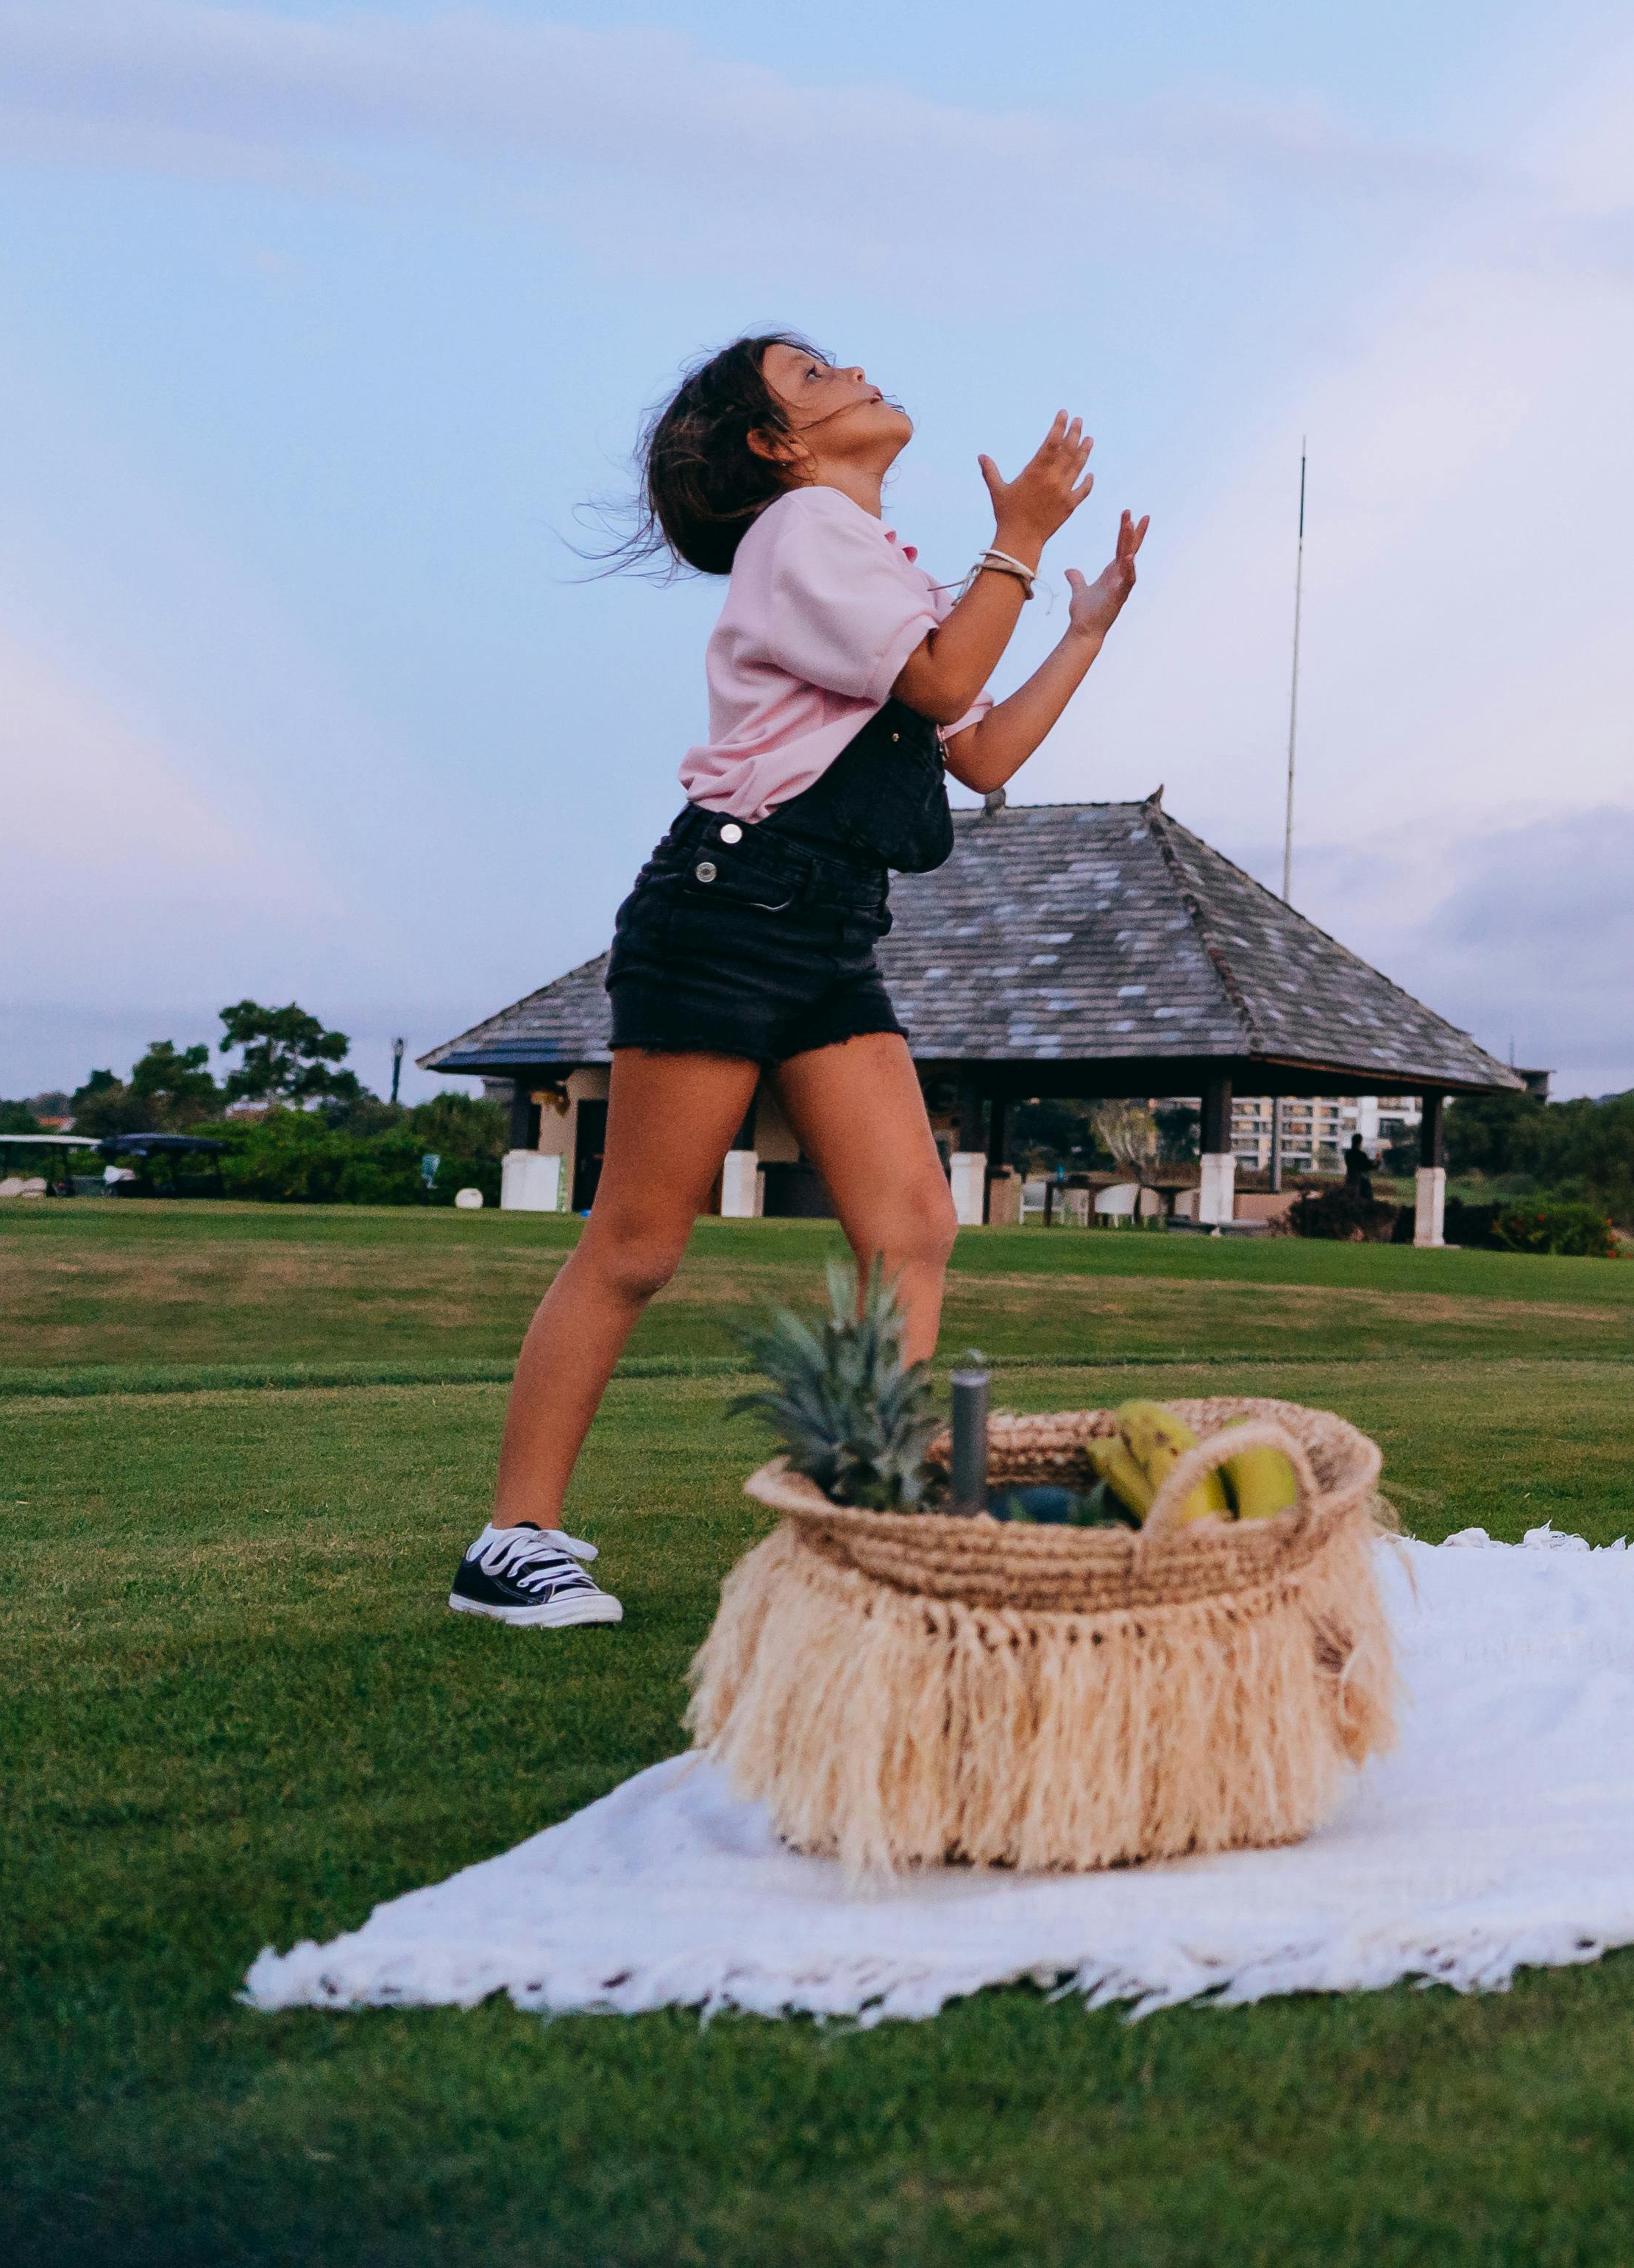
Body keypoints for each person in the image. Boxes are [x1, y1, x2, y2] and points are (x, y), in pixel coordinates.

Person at [449, 337, 1146, 1628]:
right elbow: (945, 678)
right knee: (641, 1242)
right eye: (816, 375)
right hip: (726, 912)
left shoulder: (868, 559)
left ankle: (866, 1514)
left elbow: (978, 752)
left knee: (911, 1230)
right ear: (776, 446)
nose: (856, 373)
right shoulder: (802, 530)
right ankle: (511, 1542)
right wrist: (1024, 537)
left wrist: (1081, 634)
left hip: (825, 929)